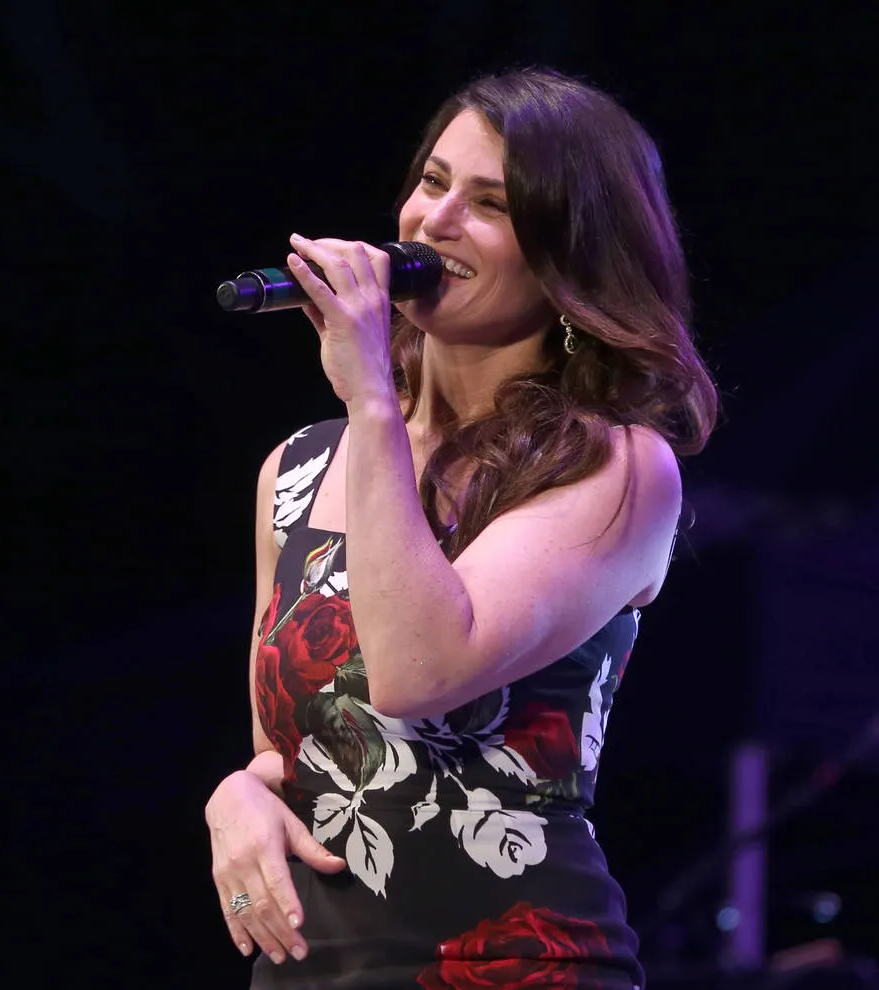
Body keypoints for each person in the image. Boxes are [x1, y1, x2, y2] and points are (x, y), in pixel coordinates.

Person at [205, 66, 718, 989]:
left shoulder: (617, 467)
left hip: (514, 964)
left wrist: (371, 398)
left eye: (490, 204)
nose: (434, 221)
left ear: (567, 256)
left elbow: (417, 672)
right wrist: (236, 795)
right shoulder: (297, 469)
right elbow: (290, 751)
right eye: (433, 182)